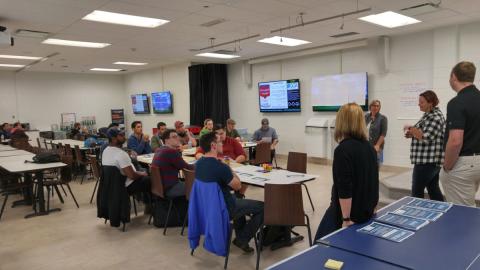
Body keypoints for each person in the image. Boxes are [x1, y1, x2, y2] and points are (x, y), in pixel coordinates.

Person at [314, 103, 378, 241]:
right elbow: (374, 181)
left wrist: (346, 219)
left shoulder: (342, 150)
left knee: (319, 246)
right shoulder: (370, 148)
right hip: (366, 211)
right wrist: (372, 207)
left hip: (344, 214)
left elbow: (344, 187)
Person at [195, 132, 264, 253]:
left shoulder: (199, 164)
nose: (222, 143)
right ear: (213, 145)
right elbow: (238, 186)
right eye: (219, 141)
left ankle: (241, 236)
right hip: (224, 208)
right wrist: (230, 169)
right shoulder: (221, 167)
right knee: (264, 207)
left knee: (240, 202)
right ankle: (242, 238)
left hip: (207, 207)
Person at [440, 61, 480, 206]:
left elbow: (456, 141)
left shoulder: (457, 103)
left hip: (463, 163)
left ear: (454, 77)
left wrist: (447, 166)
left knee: (463, 212)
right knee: (470, 206)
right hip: (478, 162)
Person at [404, 90, 445, 201]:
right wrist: (411, 133)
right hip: (428, 160)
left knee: (417, 191)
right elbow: (421, 133)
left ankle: (416, 215)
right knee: (433, 189)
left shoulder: (435, 117)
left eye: (421, 102)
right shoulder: (428, 115)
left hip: (428, 161)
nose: (419, 104)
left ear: (430, 103)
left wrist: (410, 128)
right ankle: (441, 211)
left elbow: (427, 137)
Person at [102, 128, 150, 203]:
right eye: (121, 135)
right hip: (126, 186)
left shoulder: (106, 151)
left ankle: (148, 205)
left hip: (113, 186)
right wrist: (142, 174)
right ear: (114, 139)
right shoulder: (121, 154)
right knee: (151, 180)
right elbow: (132, 176)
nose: (124, 137)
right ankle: (152, 206)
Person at [151, 129, 195, 197]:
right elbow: (187, 167)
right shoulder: (170, 152)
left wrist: (178, 151)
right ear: (166, 140)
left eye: (177, 136)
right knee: (200, 187)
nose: (177, 138)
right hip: (170, 188)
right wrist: (200, 165)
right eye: (174, 137)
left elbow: (177, 162)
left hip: (161, 188)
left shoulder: (160, 149)